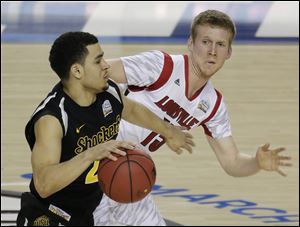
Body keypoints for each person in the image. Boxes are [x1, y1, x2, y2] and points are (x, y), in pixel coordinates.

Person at [94, 10, 293, 226]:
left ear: (229, 52)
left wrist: (256, 163)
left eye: (220, 44)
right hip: (91, 163)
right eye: (206, 41)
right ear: (191, 43)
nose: (212, 52)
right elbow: (95, 72)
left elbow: (231, 161)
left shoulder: (213, 105)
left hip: (130, 173)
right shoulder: (162, 66)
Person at [16, 31, 195, 226]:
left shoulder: (110, 92)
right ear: (77, 71)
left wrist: (168, 131)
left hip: (87, 210)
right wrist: (90, 154)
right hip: (49, 213)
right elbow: (43, 185)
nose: (106, 65)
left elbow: (132, 109)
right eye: (98, 60)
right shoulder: (53, 119)